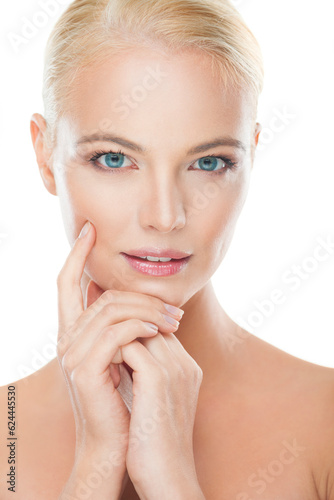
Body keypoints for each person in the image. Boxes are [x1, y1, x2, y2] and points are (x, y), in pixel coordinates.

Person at [1, 0, 334, 498]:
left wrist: (172, 482)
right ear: (45, 155)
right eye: (114, 158)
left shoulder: (324, 423)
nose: (165, 215)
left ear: (252, 156)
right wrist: (96, 460)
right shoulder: (7, 436)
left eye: (209, 163)